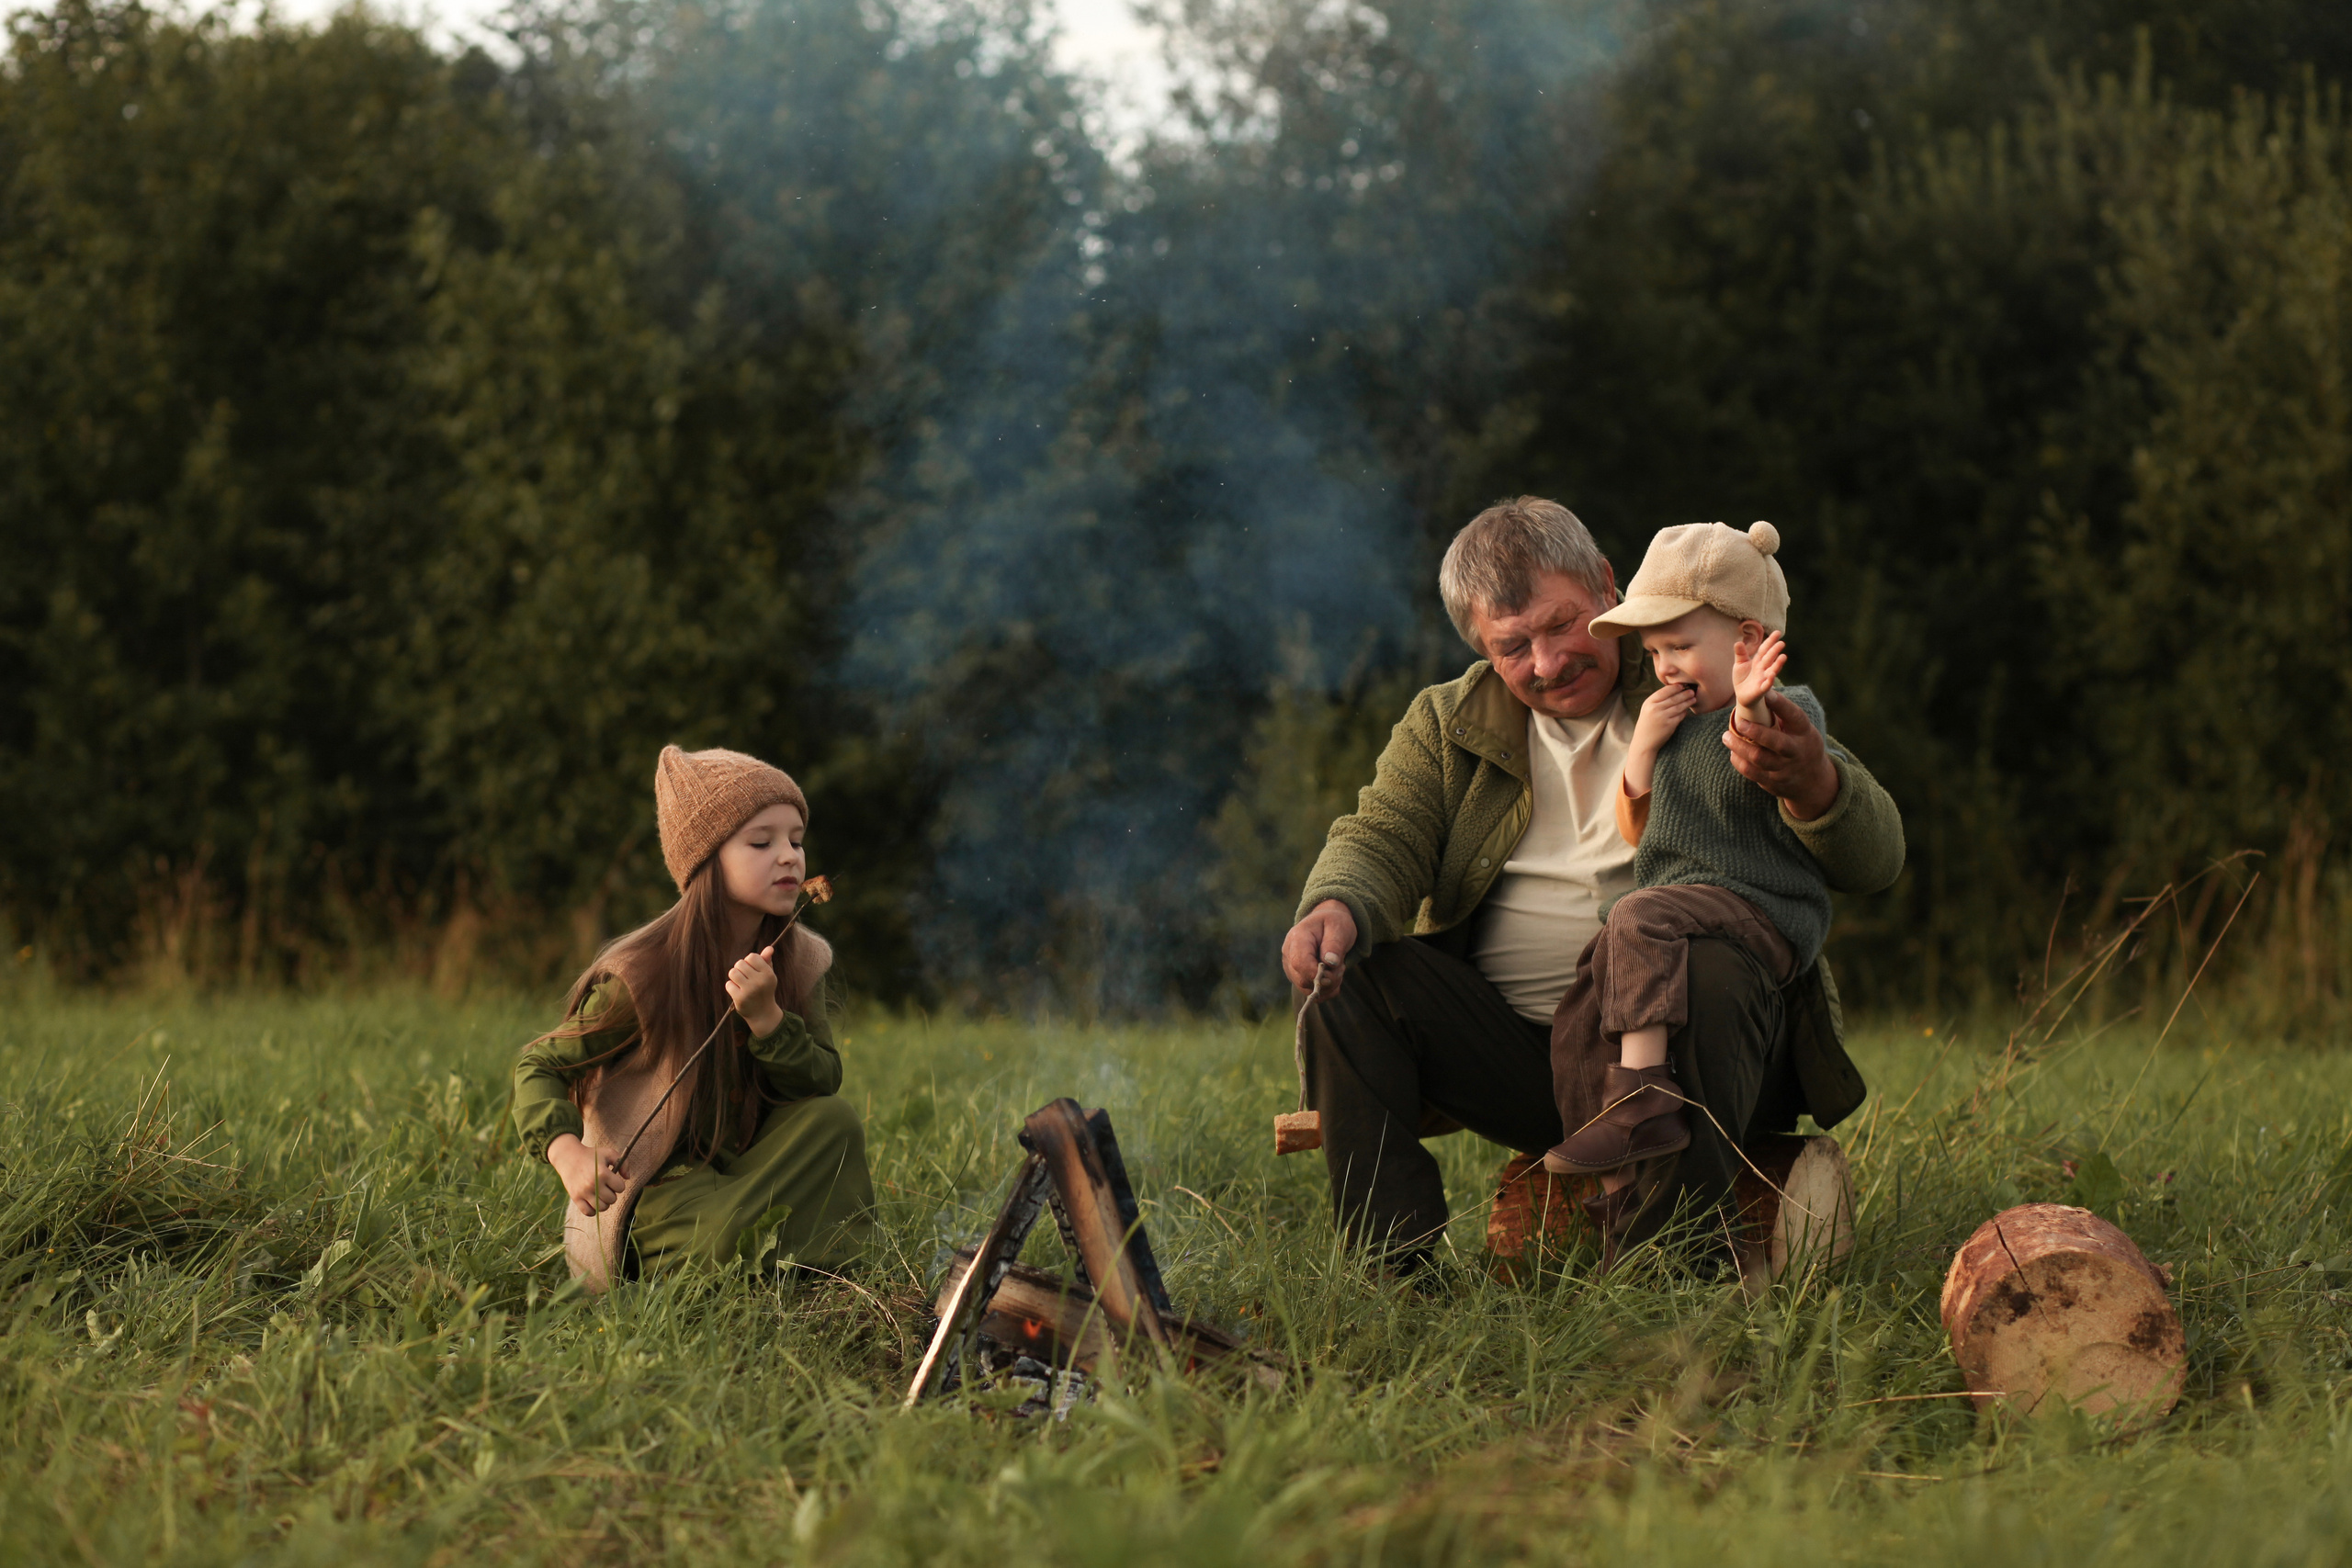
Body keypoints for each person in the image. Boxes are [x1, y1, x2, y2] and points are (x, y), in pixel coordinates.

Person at [1281, 497, 1904, 1270]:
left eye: (1560, 625)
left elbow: (1877, 857)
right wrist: (1335, 904)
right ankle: (1392, 1270)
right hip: (1535, 1063)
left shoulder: (1699, 672)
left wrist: (1813, 780)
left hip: (1714, 1051)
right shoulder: (1448, 724)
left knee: (1697, 954)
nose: (1545, 662)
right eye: (1512, 646)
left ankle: (1668, 1269)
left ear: (1608, 586)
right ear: (1479, 643)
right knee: (1363, 973)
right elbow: (1380, 837)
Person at [1540, 523, 1831, 1241]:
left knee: (1635, 916)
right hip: (1678, 910)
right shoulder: (1666, 724)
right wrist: (1641, 746)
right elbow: (1639, 827)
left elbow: (1754, 749)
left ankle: (1641, 1103)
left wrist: (1754, 702)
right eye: (1653, 652)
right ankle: (1620, 1188)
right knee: (1583, 1000)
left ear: (1748, 639)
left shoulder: (1786, 710)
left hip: (1759, 909)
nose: (1665, 666)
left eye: (1680, 647)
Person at [512, 745, 876, 1289]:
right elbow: (540, 1064)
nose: (789, 857)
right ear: (706, 860)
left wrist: (769, 1021)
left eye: (796, 840)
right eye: (762, 841)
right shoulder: (646, 972)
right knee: (725, 1236)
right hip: (661, 1189)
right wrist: (568, 1153)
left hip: (746, 1163)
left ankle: (817, 1267)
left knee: (834, 1121)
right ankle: (760, 1257)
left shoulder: (800, 958)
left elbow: (820, 1080)